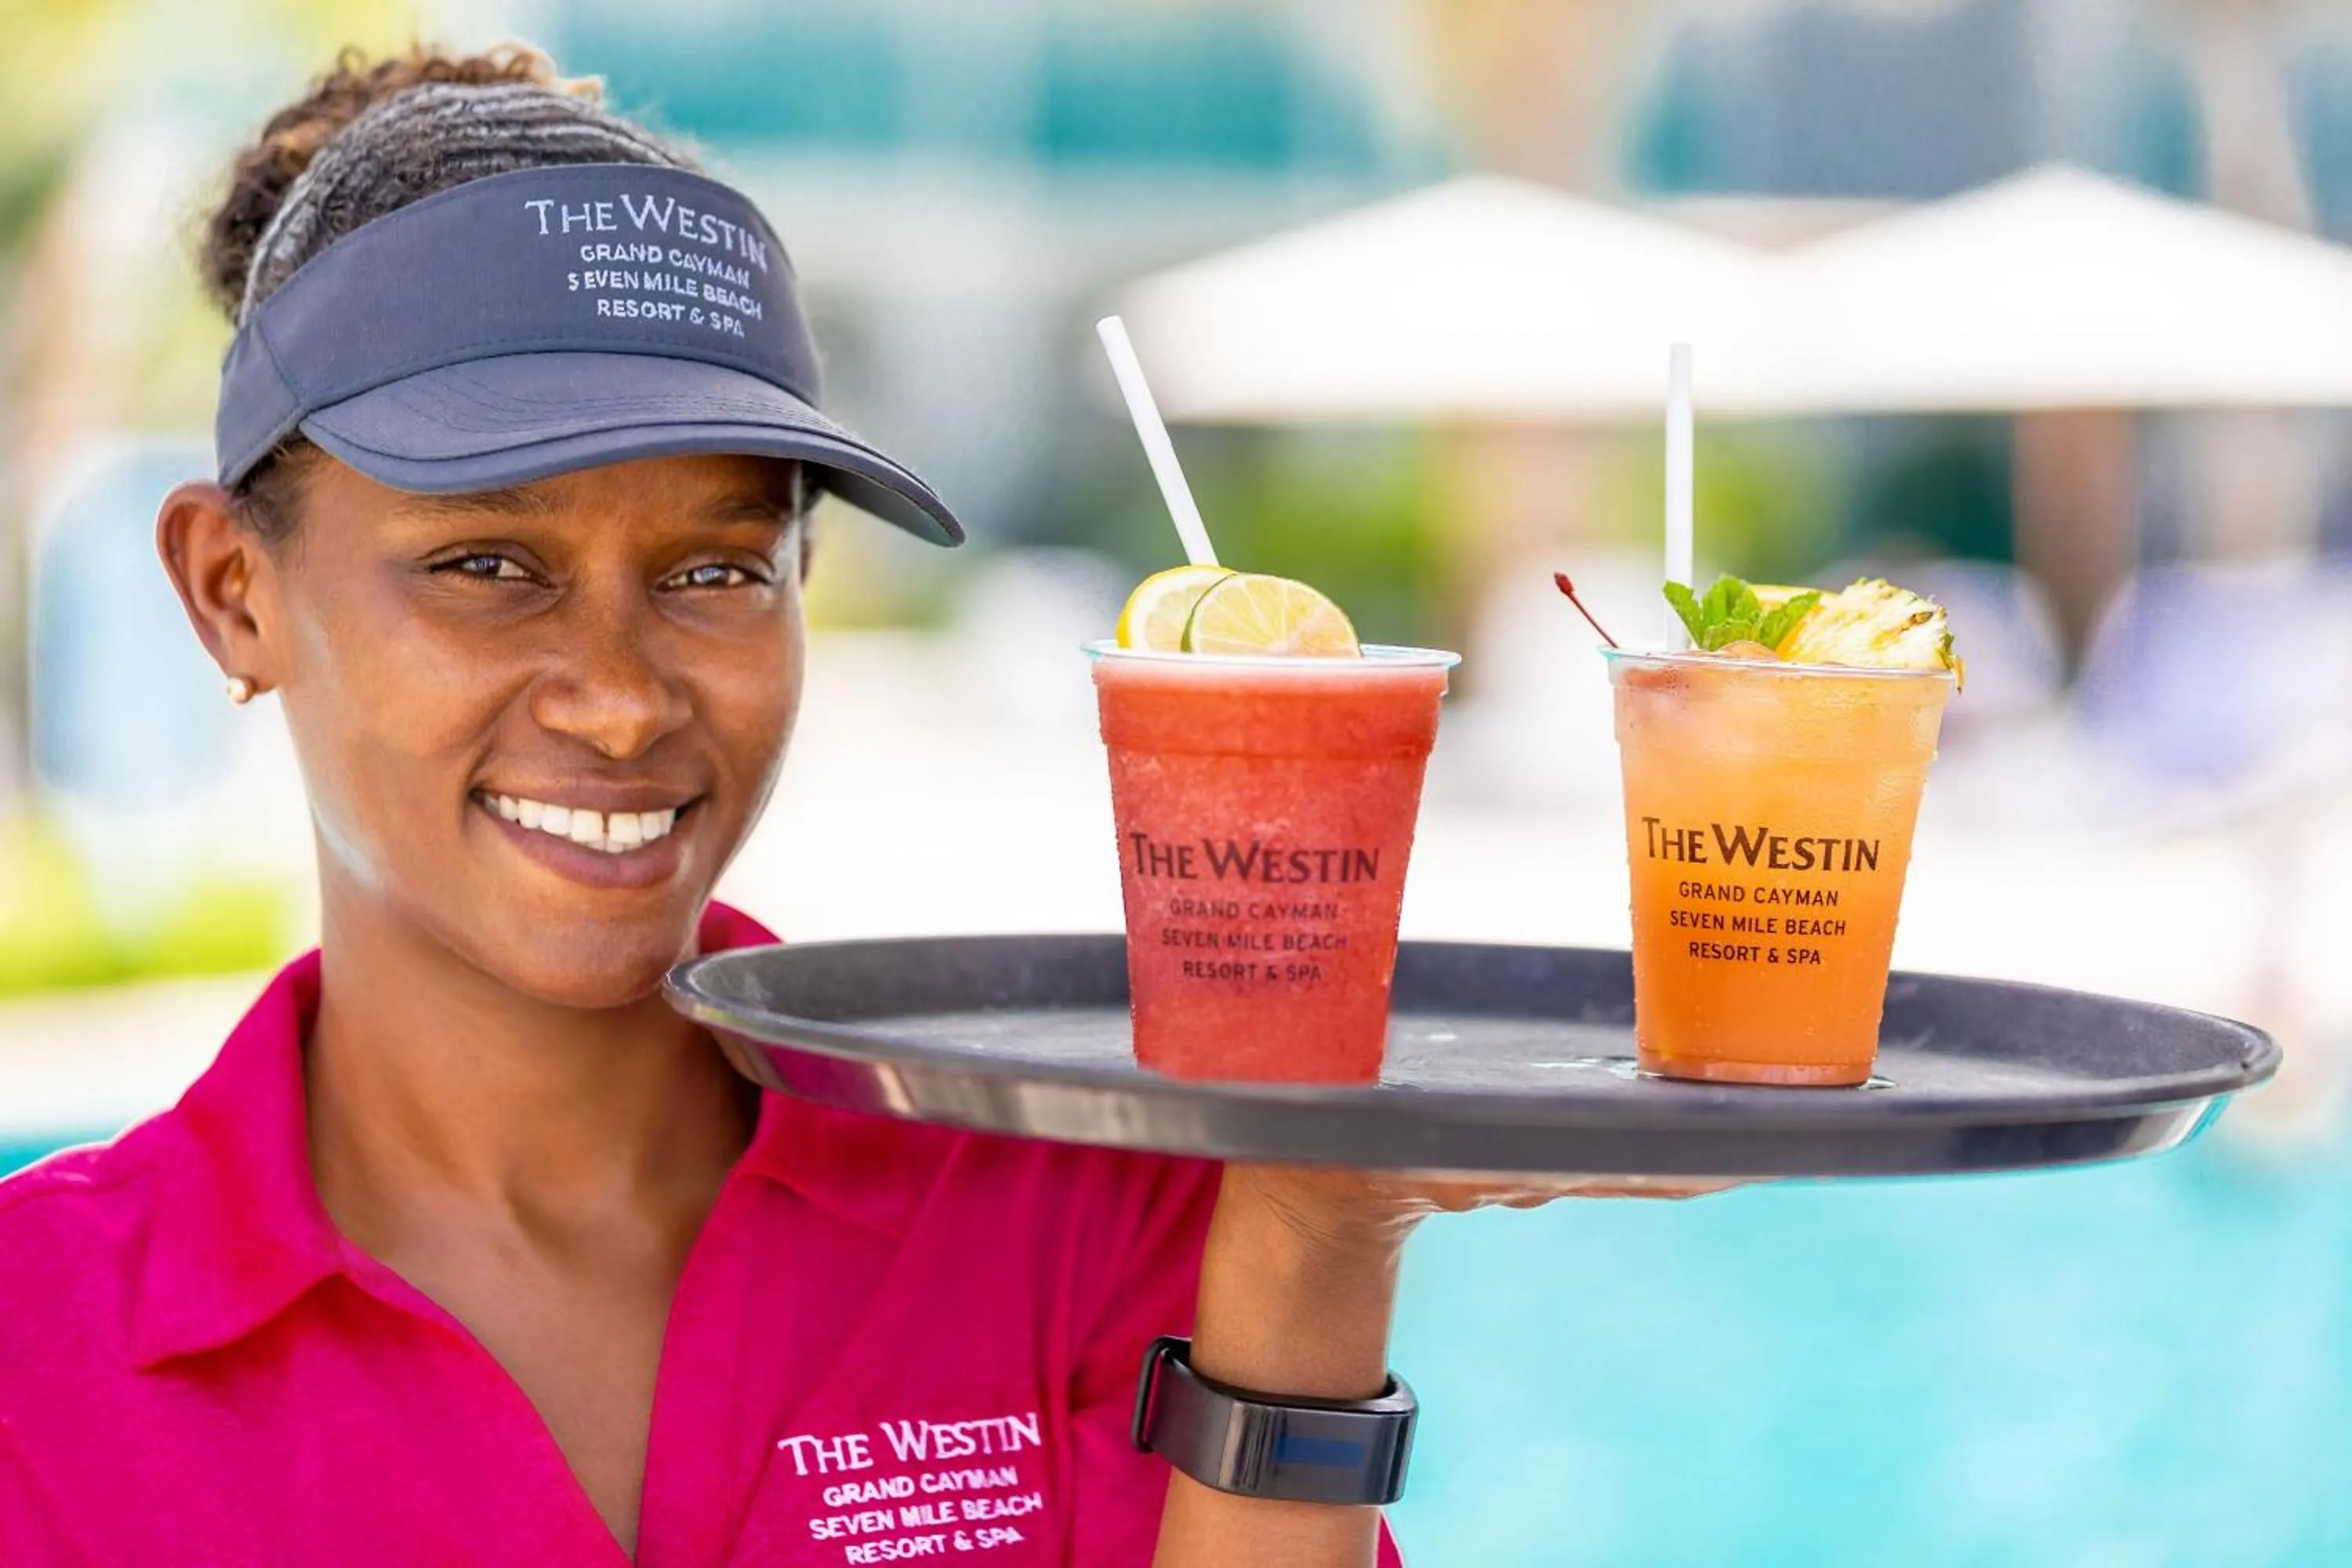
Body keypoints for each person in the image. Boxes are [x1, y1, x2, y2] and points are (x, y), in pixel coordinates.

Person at [0, 46, 1714, 1567]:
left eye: (715, 571)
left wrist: (1318, 1230)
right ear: (232, 591)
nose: (620, 698)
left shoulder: (1080, 1207)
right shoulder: (35, 1350)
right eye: (488, 566)